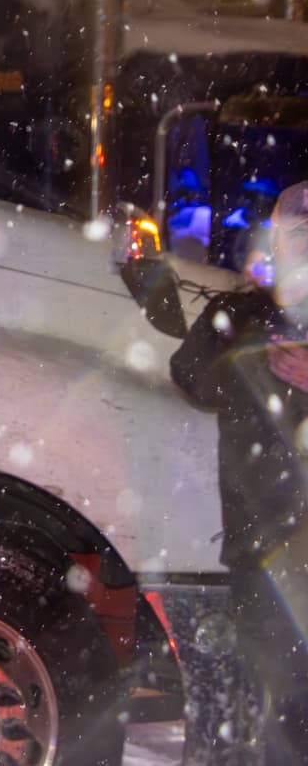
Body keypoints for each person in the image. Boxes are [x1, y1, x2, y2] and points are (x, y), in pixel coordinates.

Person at [170, 181, 308, 764]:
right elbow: (190, 376)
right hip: (267, 545)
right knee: (282, 704)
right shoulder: (244, 310)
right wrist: (247, 365)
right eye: (297, 234)